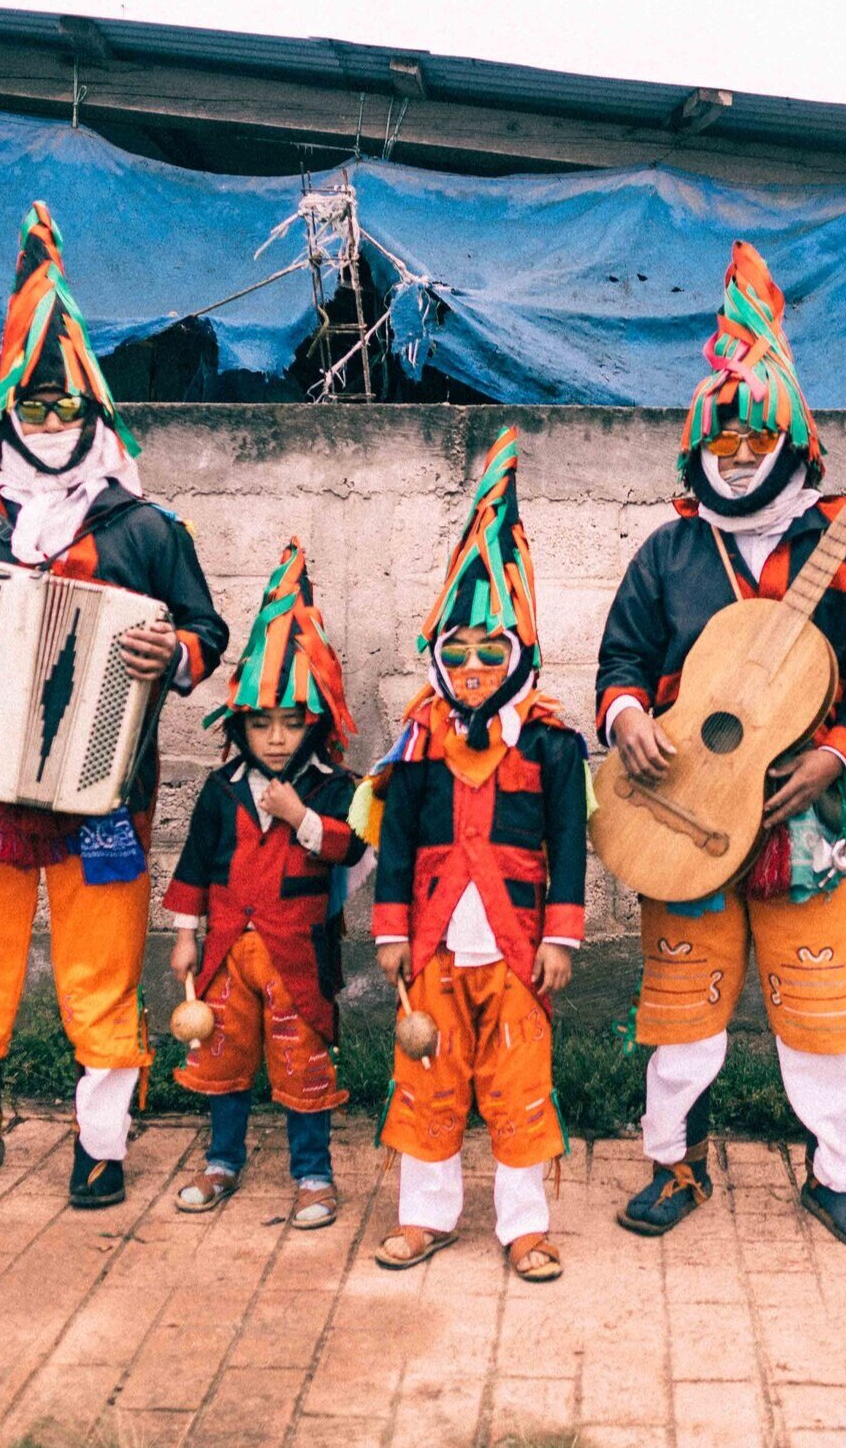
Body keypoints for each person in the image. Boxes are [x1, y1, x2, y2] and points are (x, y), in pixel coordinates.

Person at [0, 202, 228, 1211]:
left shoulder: (148, 530)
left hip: (102, 802)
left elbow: (210, 636)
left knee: (98, 975)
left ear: (94, 416)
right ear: (6, 419)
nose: (47, 424)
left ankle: (101, 1145)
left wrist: (176, 649)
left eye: (62, 408)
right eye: (30, 409)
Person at [596, 241, 846, 1250]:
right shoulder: (669, 552)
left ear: (787, 440)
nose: (735, 456)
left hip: (802, 818)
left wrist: (841, 756)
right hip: (681, 803)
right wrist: (628, 717)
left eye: (751, 441)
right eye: (719, 443)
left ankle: (835, 1172)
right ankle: (672, 1163)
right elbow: (622, 658)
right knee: (682, 1001)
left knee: (818, 1003)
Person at [365, 427, 589, 1285]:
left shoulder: (554, 744)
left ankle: (524, 1225)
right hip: (432, 949)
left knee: (519, 1082)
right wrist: (390, 930)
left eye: (490, 650)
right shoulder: (418, 743)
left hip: (517, 950)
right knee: (427, 1076)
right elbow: (394, 845)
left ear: (521, 651)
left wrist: (562, 940)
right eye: (454, 652)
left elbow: (568, 844)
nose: (469, 666)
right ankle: (425, 1214)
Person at [163, 539, 365, 1229]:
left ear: (317, 722)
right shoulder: (220, 792)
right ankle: (223, 1158)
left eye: (291, 723)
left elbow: (350, 845)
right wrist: (185, 938)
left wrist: (301, 816)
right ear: (240, 724)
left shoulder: (335, 788)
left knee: (301, 1060)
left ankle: (313, 1173)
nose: (276, 739)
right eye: (261, 724)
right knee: (224, 1052)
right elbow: (195, 866)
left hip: (298, 957)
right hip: (226, 954)